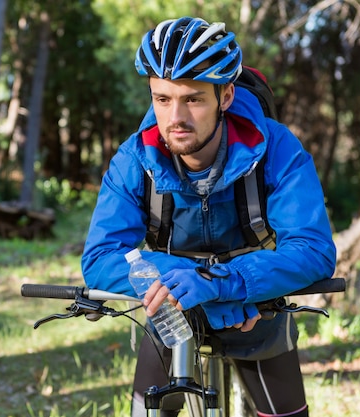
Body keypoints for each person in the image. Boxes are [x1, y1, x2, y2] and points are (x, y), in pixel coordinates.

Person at [81, 17, 336, 417]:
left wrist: (221, 283)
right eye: (162, 99)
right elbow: (99, 258)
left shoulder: (277, 148)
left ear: (227, 96)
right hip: (168, 311)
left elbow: (313, 249)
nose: (175, 117)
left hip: (256, 305)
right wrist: (187, 283)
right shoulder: (134, 158)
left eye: (194, 99)